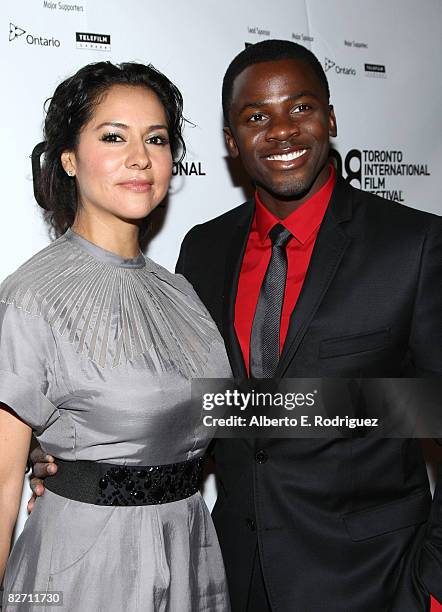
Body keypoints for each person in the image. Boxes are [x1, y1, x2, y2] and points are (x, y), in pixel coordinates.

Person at [29, 41, 442, 611]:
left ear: (331, 117)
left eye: (300, 108)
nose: (281, 132)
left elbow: (422, 408)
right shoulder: (204, 250)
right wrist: (83, 467)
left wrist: (434, 586)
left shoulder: (413, 244)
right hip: (227, 573)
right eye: (256, 117)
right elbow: (217, 405)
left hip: (376, 582)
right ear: (230, 141)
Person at [0, 61, 231, 612]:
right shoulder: (31, 297)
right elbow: (3, 482)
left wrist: (382, 407)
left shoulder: (181, 292)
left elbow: (220, 414)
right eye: (112, 136)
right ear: (69, 158)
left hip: (192, 550)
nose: (139, 158)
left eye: (156, 138)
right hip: (87, 567)